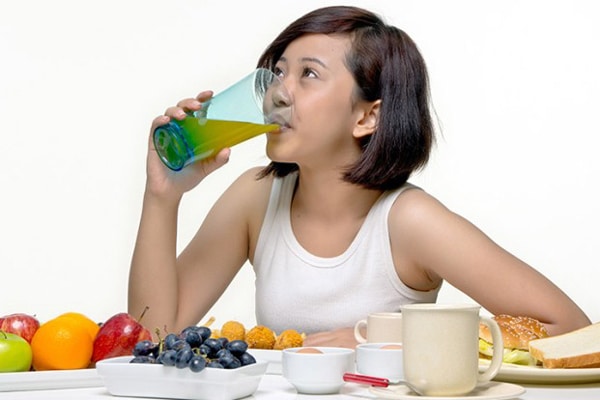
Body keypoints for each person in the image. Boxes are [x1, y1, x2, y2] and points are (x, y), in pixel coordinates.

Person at [128, 5, 590, 347]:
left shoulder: (407, 220)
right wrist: (162, 197)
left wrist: (386, 336)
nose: (277, 94)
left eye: (308, 74)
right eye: (277, 73)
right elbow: (151, 338)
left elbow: (569, 327)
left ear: (368, 117)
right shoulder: (255, 198)